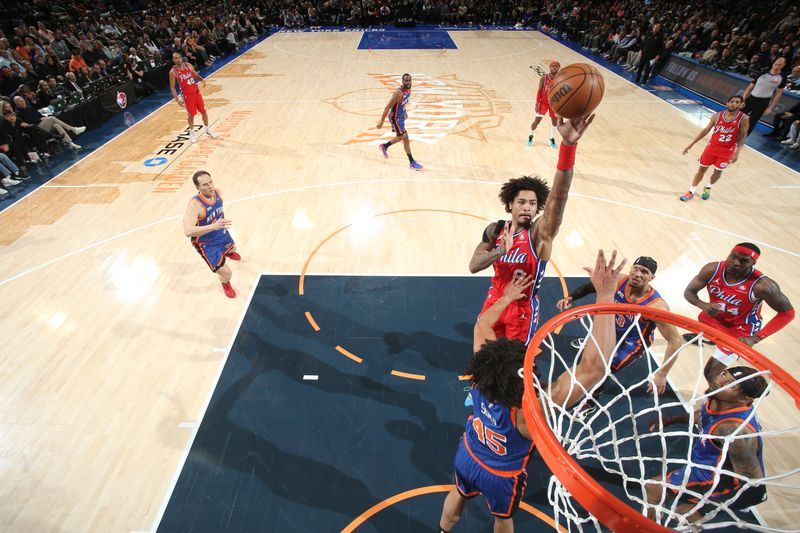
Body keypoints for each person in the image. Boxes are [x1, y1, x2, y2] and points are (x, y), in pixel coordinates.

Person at [438, 249, 624, 533]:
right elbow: (594, 368)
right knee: (503, 518)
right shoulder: (532, 410)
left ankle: (442, 530)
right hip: (501, 475)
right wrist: (606, 297)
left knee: (459, 492)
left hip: (469, 453)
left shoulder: (481, 377)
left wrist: (507, 297)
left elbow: (483, 325)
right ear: (525, 376)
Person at [469, 114, 595, 344]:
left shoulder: (539, 234)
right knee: (483, 357)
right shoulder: (495, 230)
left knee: (515, 365)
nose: (527, 207)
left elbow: (559, 197)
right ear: (510, 204)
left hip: (522, 308)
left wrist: (568, 147)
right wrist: (499, 252)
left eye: (533, 203)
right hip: (495, 299)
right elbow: (473, 266)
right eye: (521, 202)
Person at [644, 367, 768, 523]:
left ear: (744, 400)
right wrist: (671, 420)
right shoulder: (718, 399)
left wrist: (703, 509)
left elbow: (756, 490)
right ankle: (647, 526)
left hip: (721, 478)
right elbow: (703, 414)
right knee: (653, 489)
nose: (719, 381)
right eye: (724, 374)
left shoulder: (733, 431)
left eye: (732, 385)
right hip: (705, 464)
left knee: (680, 511)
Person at [556, 256, 683, 396]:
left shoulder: (656, 306)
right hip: (612, 329)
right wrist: (571, 298)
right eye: (636, 268)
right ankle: (588, 344)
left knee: (602, 368)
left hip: (632, 342)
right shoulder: (619, 280)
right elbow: (590, 287)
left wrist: (662, 374)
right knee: (590, 357)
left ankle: (592, 399)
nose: (638, 274)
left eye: (644, 272)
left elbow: (675, 340)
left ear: (652, 277)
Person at [684, 243, 794, 381]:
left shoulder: (763, 286)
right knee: (702, 318)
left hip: (740, 330)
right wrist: (702, 304)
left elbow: (787, 314)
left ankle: (717, 399)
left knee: (710, 373)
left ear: (753, 263)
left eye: (744, 261)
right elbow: (689, 292)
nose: (736, 263)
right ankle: (712, 339)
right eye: (733, 257)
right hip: (714, 319)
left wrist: (756, 338)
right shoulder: (712, 269)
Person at [182, 170, 241, 298]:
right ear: (198, 187)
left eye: (210, 182)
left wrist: (217, 226)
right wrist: (213, 226)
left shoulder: (217, 192)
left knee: (234, 248)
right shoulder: (195, 205)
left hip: (221, 233)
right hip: (206, 244)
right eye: (204, 185)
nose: (210, 186)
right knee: (227, 274)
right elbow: (188, 231)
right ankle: (226, 284)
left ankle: (228, 252)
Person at [679, 96, 748, 202]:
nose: (734, 104)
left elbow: (743, 136)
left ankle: (708, 187)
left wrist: (737, 152)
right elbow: (706, 130)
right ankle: (691, 191)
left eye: (737, 102)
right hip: (712, 147)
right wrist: (691, 144)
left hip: (727, 150)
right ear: (727, 103)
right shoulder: (717, 116)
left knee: (718, 172)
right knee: (701, 170)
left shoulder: (743, 118)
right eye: (732, 101)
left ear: (741, 105)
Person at [376, 73, 423, 170]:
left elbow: (404, 102)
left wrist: (405, 112)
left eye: (409, 80)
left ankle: (384, 146)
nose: (408, 82)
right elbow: (387, 107)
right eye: (406, 80)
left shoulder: (408, 90)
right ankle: (412, 162)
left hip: (401, 116)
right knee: (404, 137)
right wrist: (381, 122)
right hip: (395, 118)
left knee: (400, 137)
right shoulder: (398, 94)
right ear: (402, 82)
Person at [169, 52, 217, 144]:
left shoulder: (188, 65)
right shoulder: (173, 72)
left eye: (179, 57)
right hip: (187, 95)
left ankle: (207, 129)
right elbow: (172, 87)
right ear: (173, 60)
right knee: (191, 115)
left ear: (181, 58)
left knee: (204, 111)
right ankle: (191, 132)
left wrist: (202, 79)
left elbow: (195, 74)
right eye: (175, 58)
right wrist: (177, 99)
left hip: (196, 92)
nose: (178, 59)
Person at [12, 95, 85, 150]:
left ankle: (70, 143)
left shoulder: (30, 107)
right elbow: (29, 122)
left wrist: (43, 118)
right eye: (20, 102)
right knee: (52, 118)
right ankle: (73, 129)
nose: (23, 102)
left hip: (43, 124)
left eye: (23, 100)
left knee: (56, 125)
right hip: (36, 128)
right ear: (16, 103)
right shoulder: (18, 113)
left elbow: (40, 115)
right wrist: (41, 119)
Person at [742, 57, 786, 136]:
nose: (777, 66)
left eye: (780, 64)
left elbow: (778, 94)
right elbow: (750, 87)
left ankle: (742, 139)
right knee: (739, 116)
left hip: (763, 102)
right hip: (751, 98)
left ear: (783, 65)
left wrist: (770, 108)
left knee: (752, 121)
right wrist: (743, 99)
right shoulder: (763, 72)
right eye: (776, 64)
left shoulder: (782, 77)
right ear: (773, 63)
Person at [527, 60, 561, 148]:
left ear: (559, 68)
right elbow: (539, 91)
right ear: (550, 67)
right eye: (553, 66)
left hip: (554, 104)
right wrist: (537, 103)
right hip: (544, 103)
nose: (555, 67)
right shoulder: (544, 78)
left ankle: (552, 138)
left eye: (557, 66)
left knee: (554, 123)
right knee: (537, 121)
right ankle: (530, 135)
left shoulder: (560, 79)